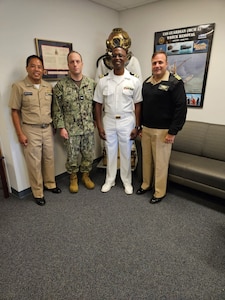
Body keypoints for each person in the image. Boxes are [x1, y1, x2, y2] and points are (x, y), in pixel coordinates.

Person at [9, 55, 61, 206]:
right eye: (33, 66)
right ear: (27, 68)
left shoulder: (47, 87)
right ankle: (38, 192)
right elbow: (14, 111)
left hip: (47, 128)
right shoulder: (19, 87)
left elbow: (52, 109)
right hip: (30, 130)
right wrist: (20, 133)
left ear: (43, 70)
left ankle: (50, 184)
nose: (36, 69)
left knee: (49, 158)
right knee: (34, 162)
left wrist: (54, 126)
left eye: (39, 66)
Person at [136, 50, 187, 204]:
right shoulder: (146, 83)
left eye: (160, 62)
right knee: (146, 161)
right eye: (154, 63)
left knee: (160, 163)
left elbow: (181, 108)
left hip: (164, 131)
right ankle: (146, 184)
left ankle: (159, 192)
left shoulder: (175, 82)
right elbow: (143, 106)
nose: (157, 65)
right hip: (147, 129)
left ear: (166, 64)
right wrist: (140, 127)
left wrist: (173, 132)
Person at [94, 46, 142, 195]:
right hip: (108, 120)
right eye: (114, 56)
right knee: (110, 151)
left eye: (120, 56)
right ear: (110, 58)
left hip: (127, 121)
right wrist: (99, 126)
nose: (117, 58)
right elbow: (97, 104)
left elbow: (138, 104)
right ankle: (110, 179)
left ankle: (127, 181)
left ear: (126, 58)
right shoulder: (103, 81)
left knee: (127, 152)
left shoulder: (134, 81)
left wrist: (137, 126)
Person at [52, 51, 95, 193]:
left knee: (88, 155)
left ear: (82, 63)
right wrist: (61, 128)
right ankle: (73, 178)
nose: (75, 64)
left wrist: (95, 121)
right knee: (72, 157)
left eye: (77, 61)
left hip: (88, 127)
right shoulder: (60, 86)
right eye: (72, 62)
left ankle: (86, 176)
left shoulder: (91, 84)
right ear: (68, 65)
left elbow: (96, 106)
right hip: (70, 129)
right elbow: (57, 109)